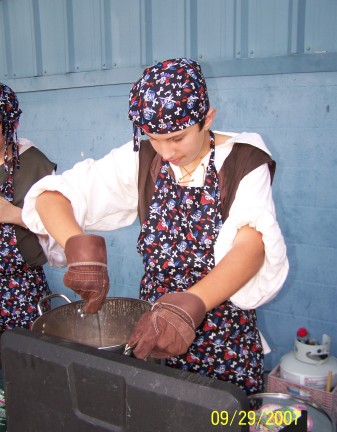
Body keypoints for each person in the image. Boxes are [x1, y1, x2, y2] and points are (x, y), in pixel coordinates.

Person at [22, 58, 288, 394]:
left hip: (224, 341)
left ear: (207, 119)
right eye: (154, 137)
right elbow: (51, 196)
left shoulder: (245, 162)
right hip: (154, 332)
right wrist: (76, 243)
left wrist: (194, 302)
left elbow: (251, 247)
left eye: (177, 138)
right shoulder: (144, 159)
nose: (166, 151)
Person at [0, 83, 56, 335]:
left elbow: (57, 228)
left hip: (20, 287)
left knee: (25, 359)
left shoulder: (36, 164)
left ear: (12, 123)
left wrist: (15, 215)